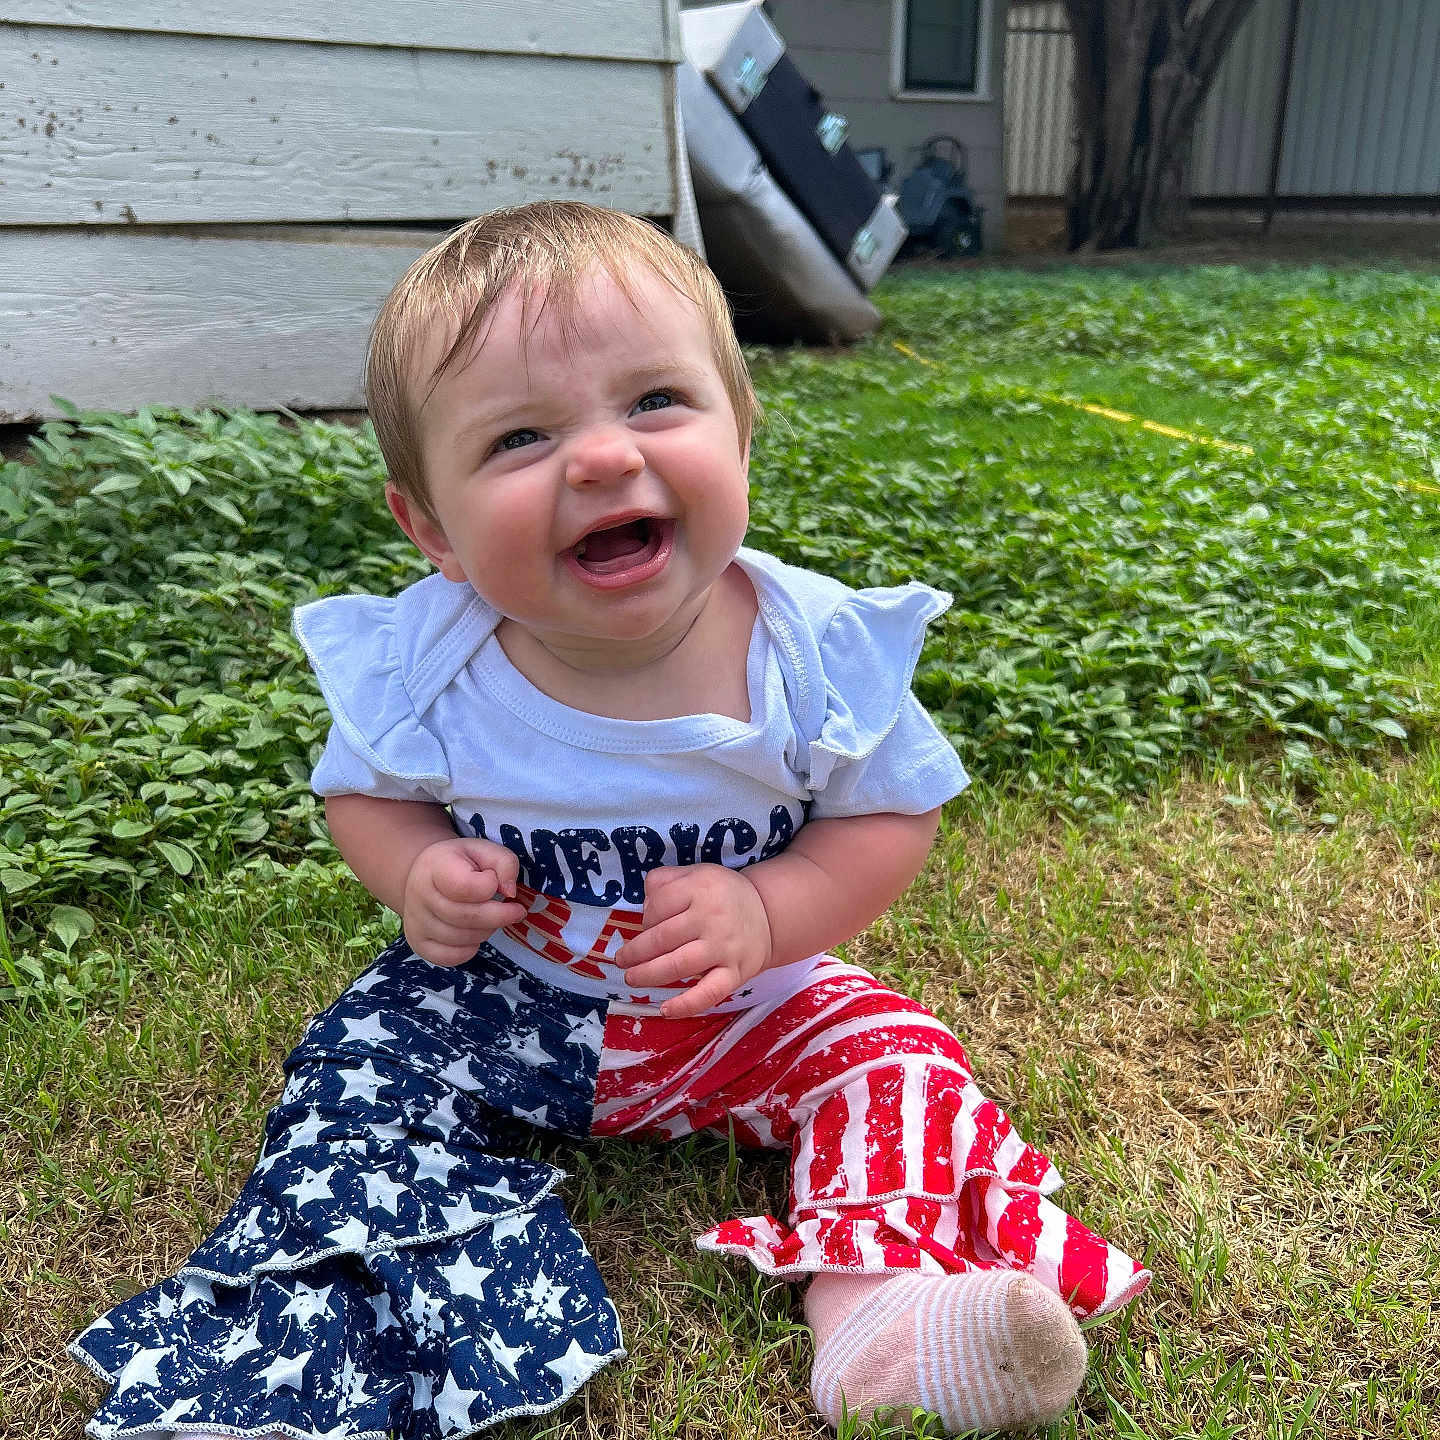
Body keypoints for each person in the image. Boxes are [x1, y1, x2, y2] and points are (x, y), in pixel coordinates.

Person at [70, 201, 1149, 1439]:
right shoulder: (428, 663)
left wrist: (770, 907)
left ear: (742, 436)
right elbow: (358, 791)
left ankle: (881, 1315)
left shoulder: (812, 655)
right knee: (353, 1066)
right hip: (511, 997)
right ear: (433, 530)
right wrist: (418, 872)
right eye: (522, 435)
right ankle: (356, 1317)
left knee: (900, 1057)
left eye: (654, 404)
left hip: (744, 1012)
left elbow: (890, 819)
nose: (599, 458)